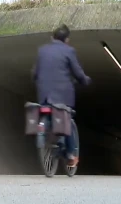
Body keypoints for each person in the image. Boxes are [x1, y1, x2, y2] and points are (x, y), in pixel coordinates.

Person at [31, 24, 91, 167]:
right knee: (67, 121)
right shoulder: (69, 51)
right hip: (62, 96)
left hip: (44, 95)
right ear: (67, 40)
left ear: (52, 37)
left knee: (49, 113)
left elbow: (35, 73)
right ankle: (71, 154)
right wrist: (84, 80)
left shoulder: (42, 50)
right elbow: (77, 72)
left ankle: (48, 135)